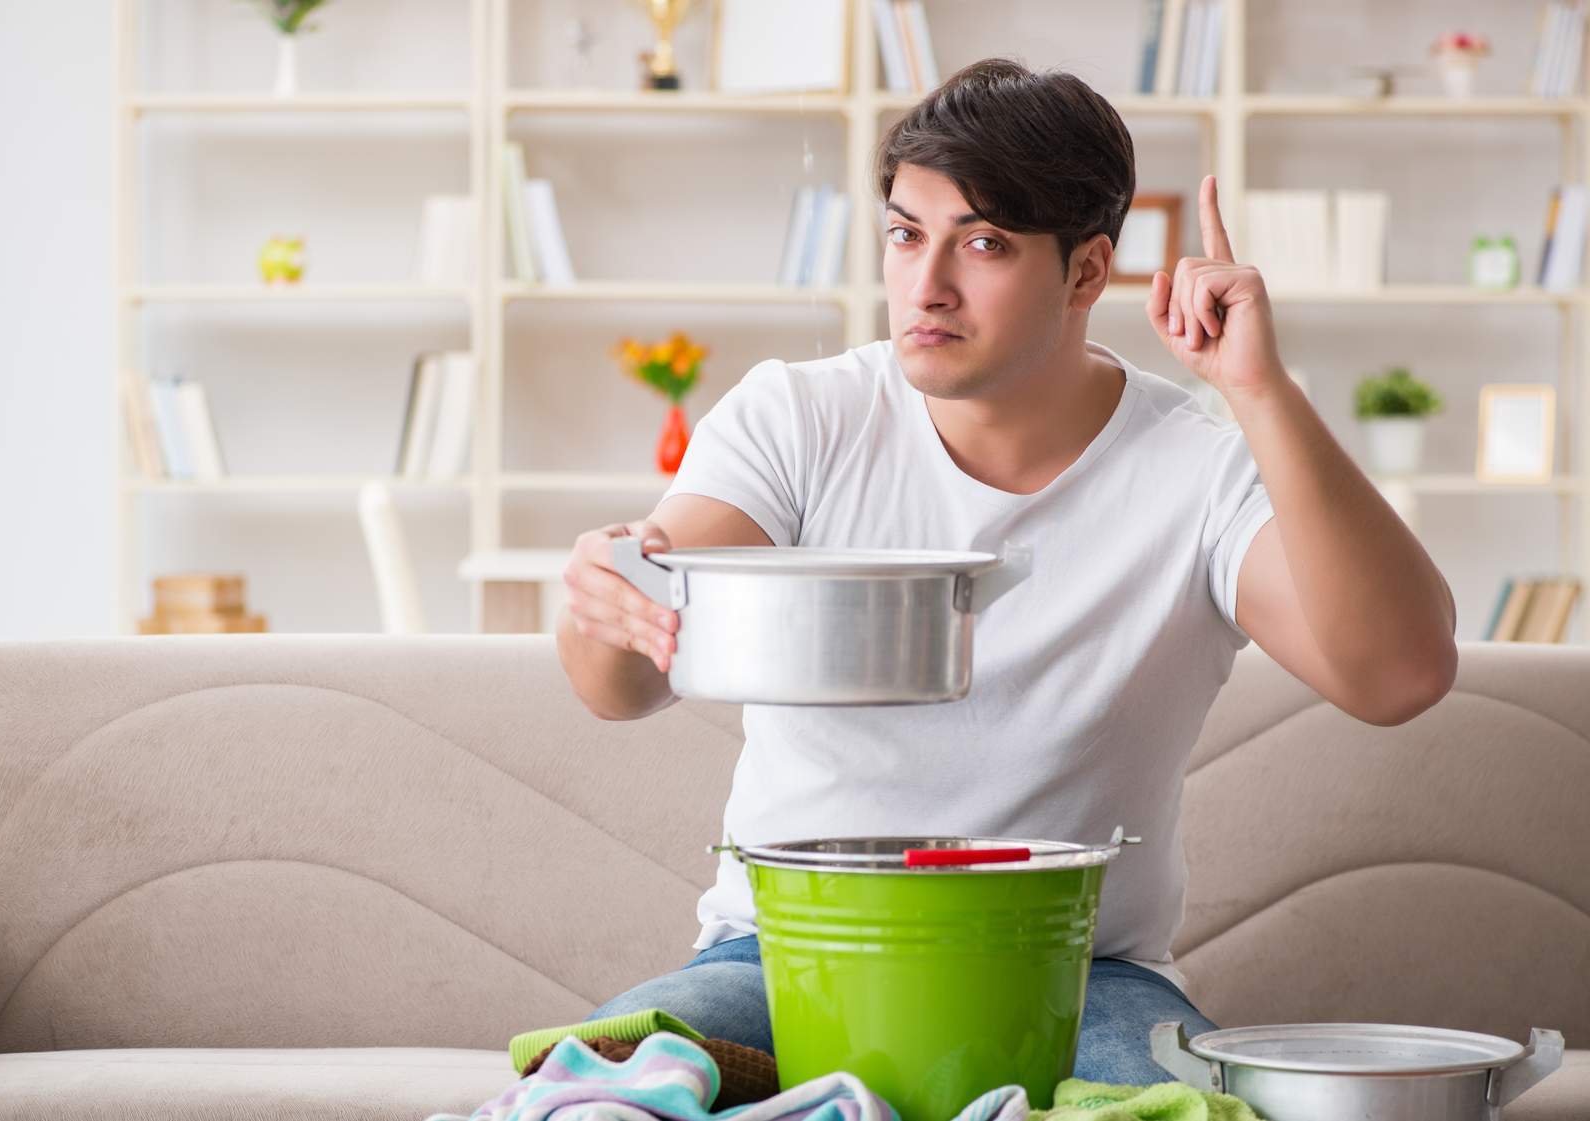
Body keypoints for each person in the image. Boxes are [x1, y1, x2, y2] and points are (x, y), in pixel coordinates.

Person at [555, 58, 1458, 1084]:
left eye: (982, 242)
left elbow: (1399, 676)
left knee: (1175, 1110)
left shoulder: (1202, 462)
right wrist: (607, 600)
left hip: (1082, 971)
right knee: (590, 1085)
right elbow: (621, 681)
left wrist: (1261, 392)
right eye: (906, 233)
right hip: (783, 953)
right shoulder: (798, 417)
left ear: (1085, 271)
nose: (926, 284)